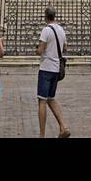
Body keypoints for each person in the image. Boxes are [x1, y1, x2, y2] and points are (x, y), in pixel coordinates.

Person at [35, 8, 71, 138]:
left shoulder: (46, 30)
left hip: (46, 68)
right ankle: (63, 126)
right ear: (54, 16)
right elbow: (65, 48)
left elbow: (40, 50)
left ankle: (42, 135)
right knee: (51, 98)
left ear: (46, 17)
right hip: (56, 69)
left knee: (42, 101)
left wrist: (38, 49)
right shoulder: (61, 30)